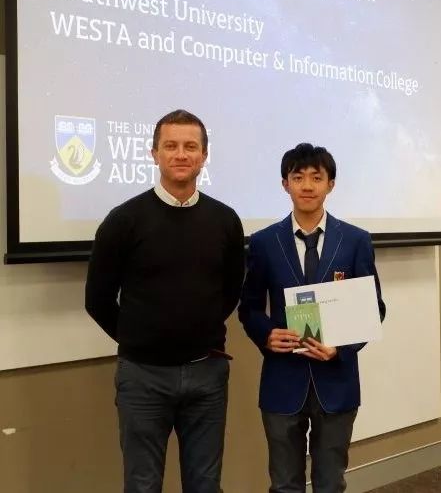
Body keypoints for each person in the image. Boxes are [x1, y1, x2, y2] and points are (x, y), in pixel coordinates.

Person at [85, 109, 244, 493]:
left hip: (207, 375)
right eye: (171, 146)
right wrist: (141, 338)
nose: (181, 154)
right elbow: (97, 299)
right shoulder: (124, 220)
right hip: (143, 377)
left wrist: (194, 332)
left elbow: (229, 291)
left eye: (191, 146)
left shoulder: (225, 220)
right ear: (154, 153)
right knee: (142, 485)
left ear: (204, 155)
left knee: (205, 484)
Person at [238, 143, 385, 493]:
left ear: (330, 184)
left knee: (330, 483)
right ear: (285, 184)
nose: (307, 186)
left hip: (336, 382)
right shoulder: (264, 242)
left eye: (316, 178)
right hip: (282, 381)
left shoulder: (355, 241)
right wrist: (266, 334)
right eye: (298, 177)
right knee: (284, 484)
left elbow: (374, 308)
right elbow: (249, 307)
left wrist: (341, 348)